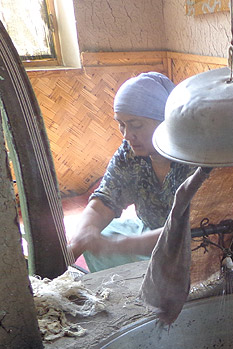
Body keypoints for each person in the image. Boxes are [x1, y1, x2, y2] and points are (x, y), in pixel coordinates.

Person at [67, 72, 200, 272]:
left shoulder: (195, 157)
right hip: (152, 231)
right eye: (121, 124)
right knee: (97, 237)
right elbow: (104, 201)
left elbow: (195, 227)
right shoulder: (129, 153)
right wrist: (79, 240)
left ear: (166, 122)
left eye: (136, 125)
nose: (128, 135)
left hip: (196, 242)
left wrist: (121, 245)